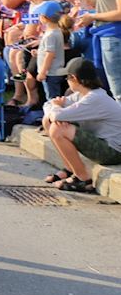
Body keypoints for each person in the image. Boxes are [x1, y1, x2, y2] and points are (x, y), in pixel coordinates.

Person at [40, 58, 121, 194]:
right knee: (47, 121)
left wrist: (56, 109)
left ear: (74, 78)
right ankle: (69, 169)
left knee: (58, 129)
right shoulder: (81, 95)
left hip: (113, 151)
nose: (66, 80)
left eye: (67, 77)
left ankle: (83, 179)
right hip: (101, 142)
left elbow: (57, 113)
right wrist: (55, 109)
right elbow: (48, 105)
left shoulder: (95, 98)